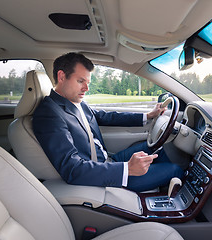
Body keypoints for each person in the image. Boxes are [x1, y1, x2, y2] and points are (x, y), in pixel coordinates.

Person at [33, 52, 183, 192]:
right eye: (80, 81)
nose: (86, 88)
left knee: (158, 147)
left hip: (108, 161)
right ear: (61, 76)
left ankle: (161, 190)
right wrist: (127, 169)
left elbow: (105, 116)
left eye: (88, 82)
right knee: (176, 170)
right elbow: (72, 169)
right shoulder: (49, 114)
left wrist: (148, 116)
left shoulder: (74, 101)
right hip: (102, 175)